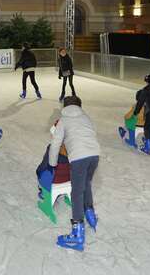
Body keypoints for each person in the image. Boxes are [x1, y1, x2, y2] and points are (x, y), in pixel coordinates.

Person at [49, 96, 100, 251]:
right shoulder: (86, 117)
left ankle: (77, 233)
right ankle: (90, 214)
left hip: (78, 157)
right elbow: (92, 133)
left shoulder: (63, 120)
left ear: (65, 106)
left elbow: (56, 143)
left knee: (76, 192)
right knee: (86, 184)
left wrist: (52, 164)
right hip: (95, 155)